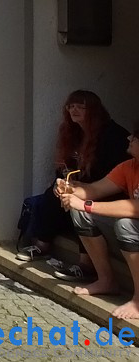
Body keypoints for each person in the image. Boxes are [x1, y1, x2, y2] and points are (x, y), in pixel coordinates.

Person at [17, 90, 129, 281]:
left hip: (108, 189)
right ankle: (43, 244)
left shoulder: (112, 136)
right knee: (54, 192)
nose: (74, 110)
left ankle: (86, 264)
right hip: (84, 184)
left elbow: (111, 176)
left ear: (93, 110)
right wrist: (64, 179)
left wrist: (79, 186)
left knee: (78, 203)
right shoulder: (72, 132)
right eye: (71, 106)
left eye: (80, 106)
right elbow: (65, 165)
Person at [57, 122, 139, 320]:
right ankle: (106, 281)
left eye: (135, 137)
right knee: (80, 214)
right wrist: (69, 189)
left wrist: (85, 204)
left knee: (125, 224)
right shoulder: (129, 166)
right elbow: (94, 190)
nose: (129, 138)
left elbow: (135, 208)